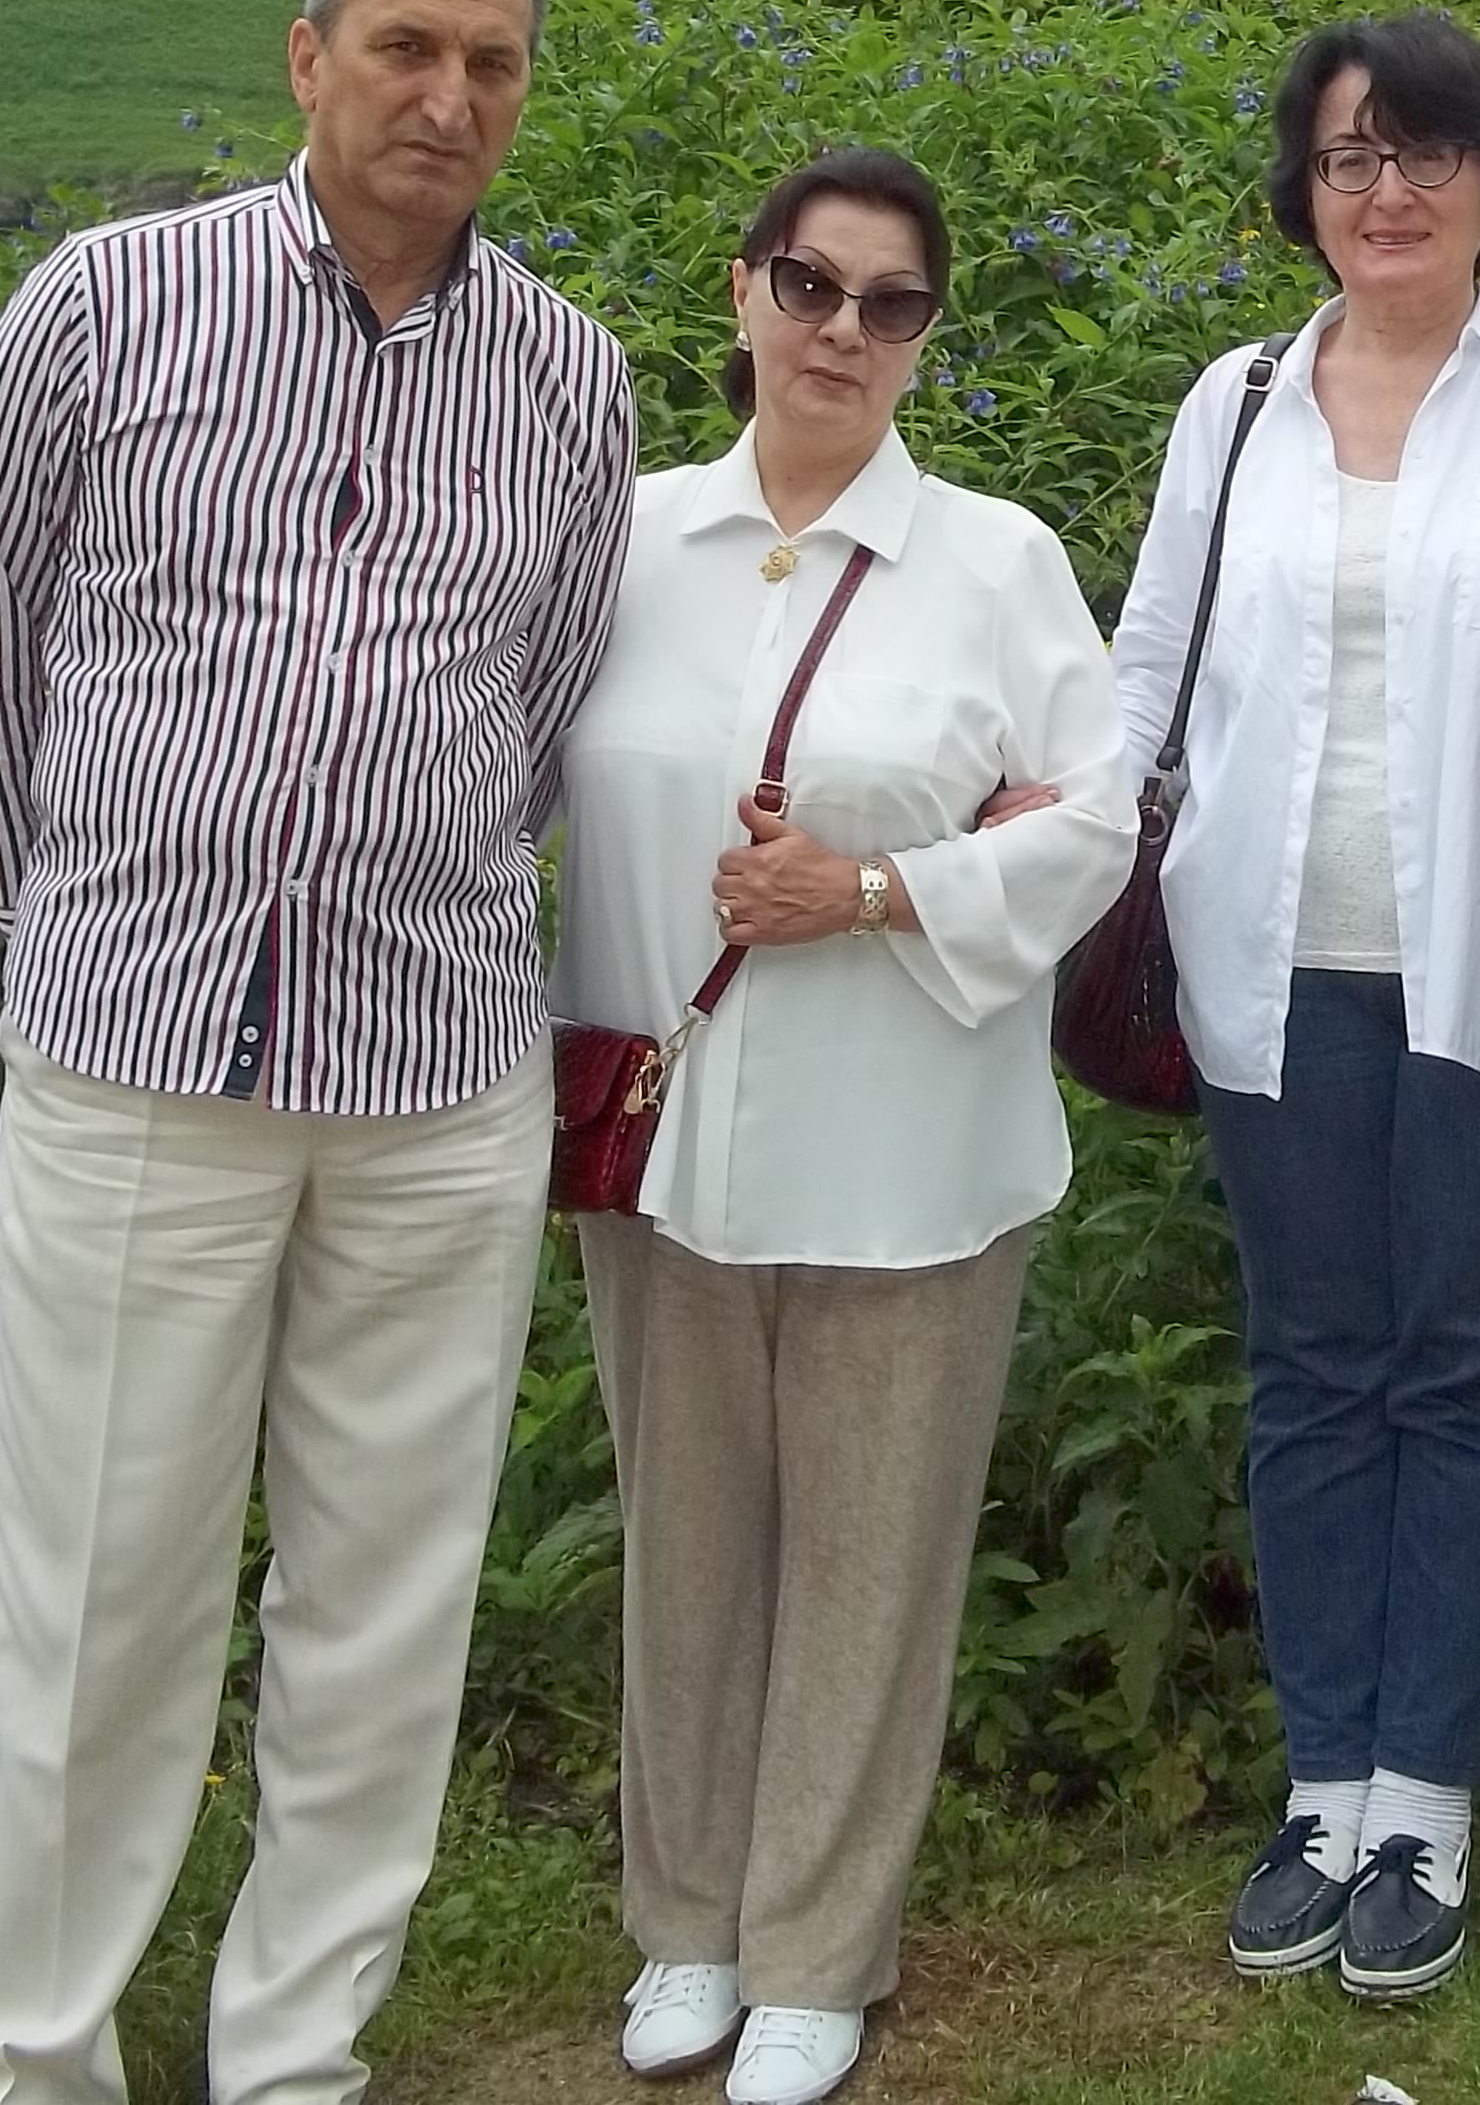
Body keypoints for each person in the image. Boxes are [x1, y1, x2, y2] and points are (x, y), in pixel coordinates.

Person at [0, 0, 638, 2105]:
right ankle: (24, 2058)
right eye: (406, 49)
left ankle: (292, 2060)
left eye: (491, 67)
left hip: (433, 1076)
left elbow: (546, 707)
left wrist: (396, 883)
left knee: (383, 1611)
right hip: (141, 1063)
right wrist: (84, 923)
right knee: (101, 1595)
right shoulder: (110, 304)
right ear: (304, 58)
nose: (448, 101)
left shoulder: (568, 371)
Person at [556, 146, 1138, 2104]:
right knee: (688, 1539)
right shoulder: (616, 540)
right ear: (740, 296)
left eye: (890, 304)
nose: (841, 332)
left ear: (923, 341)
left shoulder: (990, 562)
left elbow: (1098, 812)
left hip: (909, 1142)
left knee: (870, 1558)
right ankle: (684, 1920)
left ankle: (815, 1946)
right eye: (809, 286)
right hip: (663, 1136)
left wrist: (880, 892)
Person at [1115, 12, 1480, 2004]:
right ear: (1302, 193)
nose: (1385, 191)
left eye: (1423, 154)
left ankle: (1426, 1794)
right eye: (1346, 158)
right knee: (1318, 1365)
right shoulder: (1229, 403)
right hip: (1270, 956)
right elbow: (1139, 676)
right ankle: (1319, 1781)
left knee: (1475, 1369)